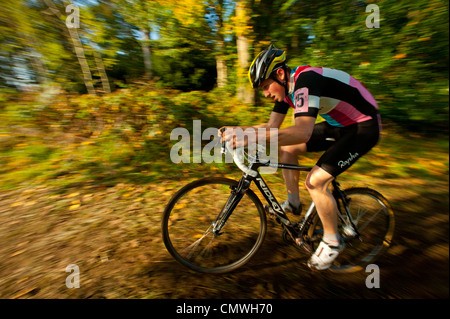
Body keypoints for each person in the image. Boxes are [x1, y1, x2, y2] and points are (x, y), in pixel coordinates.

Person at [219, 44, 381, 270]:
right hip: (339, 126)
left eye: (266, 86)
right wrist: (240, 131)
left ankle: (332, 242)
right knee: (288, 149)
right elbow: (271, 126)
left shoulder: (307, 81)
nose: (265, 94)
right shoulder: (286, 91)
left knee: (315, 182)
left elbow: (302, 131)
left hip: (364, 128)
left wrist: (249, 138)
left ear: (281, 74)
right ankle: (294, 203)